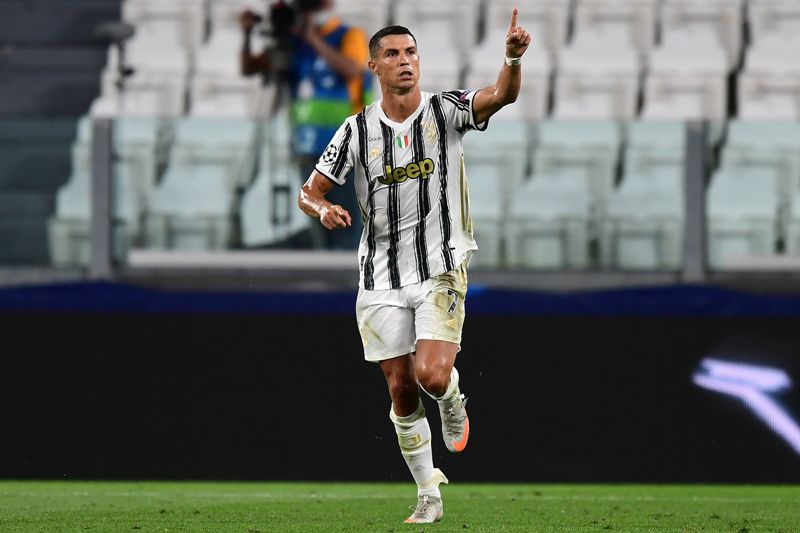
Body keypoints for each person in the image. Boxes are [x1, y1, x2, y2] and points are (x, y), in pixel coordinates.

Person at [297, 8, 531, 524]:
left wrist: (511, 59)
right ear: (374, 67)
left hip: (441, 267)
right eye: (394, 55)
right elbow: (309, 191)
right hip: (379, 275)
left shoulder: (445, 110)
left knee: (430, 374)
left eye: (411, 53)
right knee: (400, 387)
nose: (406, 62)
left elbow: (502, 95)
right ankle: (428, 490)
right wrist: (323, 208)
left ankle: (452, 399)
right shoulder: (357, 130)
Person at [240, 0, 370, 249]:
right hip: (307, 151)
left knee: (348, 224)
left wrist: (313, 39)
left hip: (347, 150)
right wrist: (248, 35)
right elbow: (251, 68)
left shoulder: (348, 35)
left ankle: (350, 281)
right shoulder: (294, 46)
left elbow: (351, 69)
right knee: (322, 224)